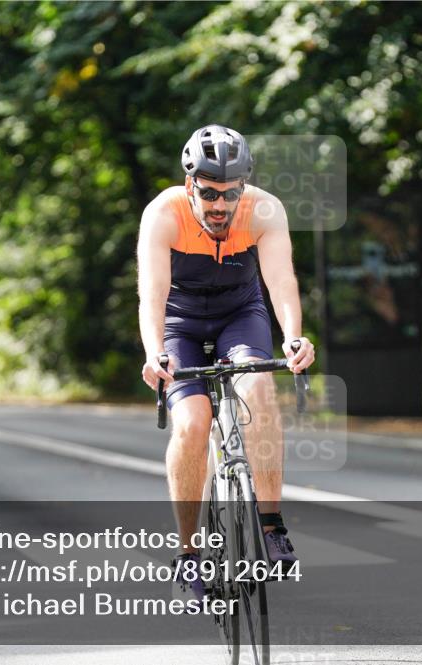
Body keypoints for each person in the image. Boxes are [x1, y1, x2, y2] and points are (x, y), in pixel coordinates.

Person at [137, 125, 315, 602]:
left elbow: (280, 281)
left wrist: (295, 337)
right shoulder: (163, 214)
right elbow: (151, 295)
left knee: (257, 390)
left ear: (245, 185)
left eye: (230, 192)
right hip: (182, 324)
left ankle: (272, 524)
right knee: (193, 423)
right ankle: (189, 552)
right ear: (189, 182)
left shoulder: (264, 209)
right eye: (209, 192)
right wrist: (155, 352)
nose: (220, 205)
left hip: (241, 315)